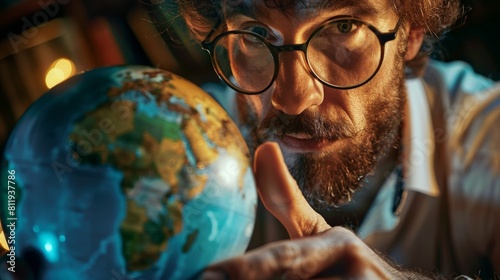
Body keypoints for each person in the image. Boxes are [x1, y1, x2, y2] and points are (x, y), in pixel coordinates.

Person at [167, 0, 500, 279]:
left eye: (342, 27)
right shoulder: (170, 148)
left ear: (411, 33)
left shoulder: (486, 134)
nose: (294, 99)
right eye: (255, 33)